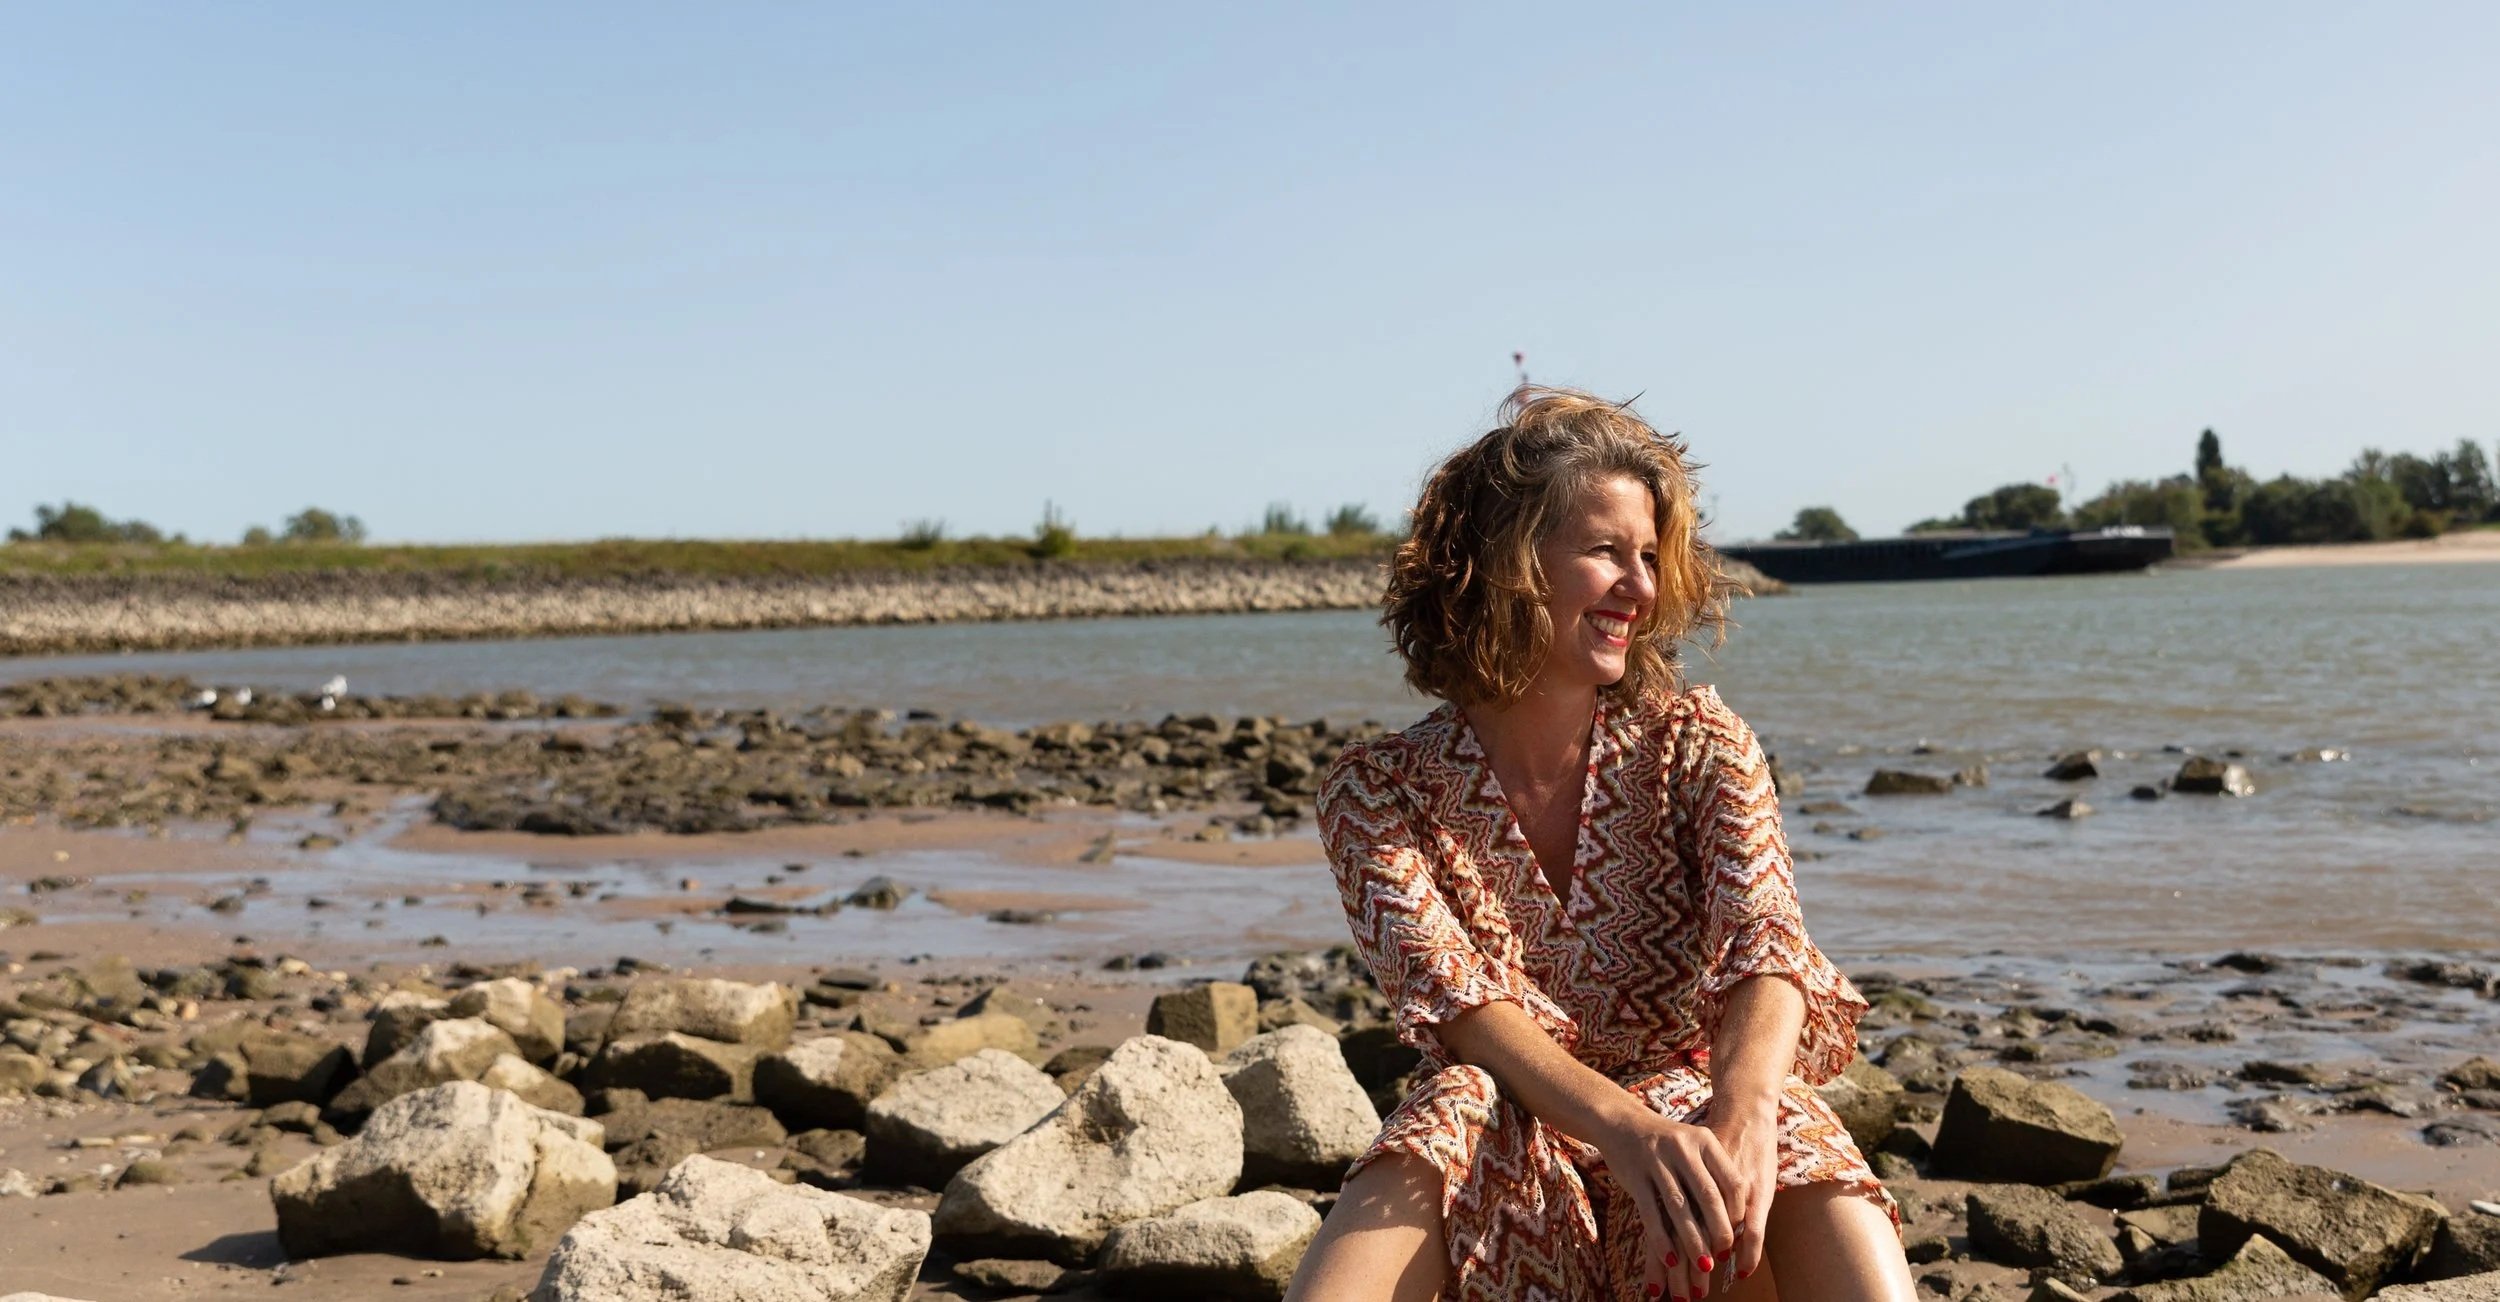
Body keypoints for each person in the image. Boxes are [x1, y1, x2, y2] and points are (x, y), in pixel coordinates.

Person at [1287, 389, 1914, 1302]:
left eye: (1649, 557)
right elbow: (1463, 1010)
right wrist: (1624, 1134)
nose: (1642, 587)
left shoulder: (1698, 743)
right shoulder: (1378, 791)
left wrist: (1740, 1119)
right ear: (1506, 565)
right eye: (1605, 552)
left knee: (1781, 1127)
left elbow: (1767, 944)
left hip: (1688, 1128)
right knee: (1451, 1110)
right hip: (1512, 1131)